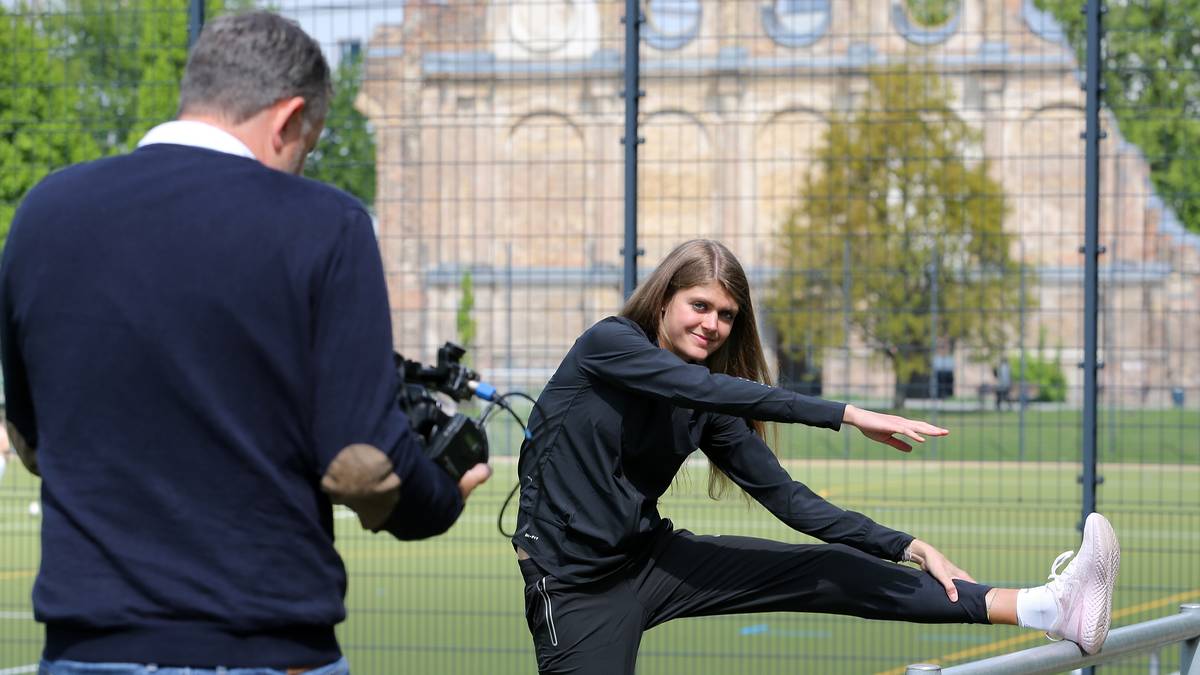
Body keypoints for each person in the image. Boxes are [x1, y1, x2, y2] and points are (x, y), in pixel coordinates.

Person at [0, 12, 490, 674]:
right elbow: (361, 462)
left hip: (87, 647)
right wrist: (440, 498)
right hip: (259, 644)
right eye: (307, 147)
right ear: (289, 119)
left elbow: (31, 439)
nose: (301, 166)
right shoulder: (327, 224)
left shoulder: (44, 212)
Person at [512, 240, 1119, 674]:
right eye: (700, 306)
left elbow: (791, 501)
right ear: (665, 299)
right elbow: (691, 386)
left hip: (648, 559)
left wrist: (905, 545)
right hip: (573, 588)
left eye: (727, 315)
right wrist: (848, 414)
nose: (713, 324)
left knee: (827, 571)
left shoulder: (707, 407)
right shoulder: (608, 345)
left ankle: (1049, 606)